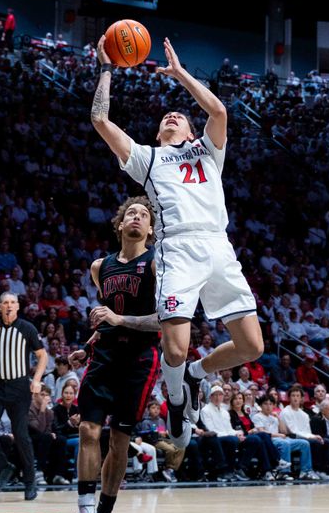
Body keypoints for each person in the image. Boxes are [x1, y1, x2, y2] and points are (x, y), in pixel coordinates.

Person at [91, 36, 263, 452]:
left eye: (180, 116)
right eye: (166, 117)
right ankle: (175, 397)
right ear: (159, 131)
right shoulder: (148, 159)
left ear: (191, 129)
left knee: (252, 347)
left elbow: (218, 110)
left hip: (218, 247)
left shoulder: (208, 150)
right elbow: (100, 120)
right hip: (178, 248)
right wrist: (107, 69)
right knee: (175, 347)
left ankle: (197, 375)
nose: (172, 116)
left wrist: (181, 74)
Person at [64, 198, 160, 513]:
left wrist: (119, 321)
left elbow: (166, 321)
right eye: (131, 213)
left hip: (140, 359)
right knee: (88, 429)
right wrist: (88, 346)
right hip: (104, 355)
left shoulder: (157, 264)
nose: (136, 217)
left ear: (151, 229)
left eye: (144, 215)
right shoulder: (99, 267)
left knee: (119, 442)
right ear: (120, 225)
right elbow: (108, 315)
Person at [0, 293, 49, 500]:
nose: (9, 306)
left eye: (12, 303)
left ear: (18, 307)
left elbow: (42, 355)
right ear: (0, 307)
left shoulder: (27, 328)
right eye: (5, 303)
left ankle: (30, 481)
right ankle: (3, 466)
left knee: (21, 435)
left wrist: (36, 380)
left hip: (19, 387)